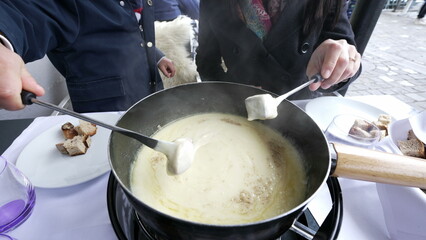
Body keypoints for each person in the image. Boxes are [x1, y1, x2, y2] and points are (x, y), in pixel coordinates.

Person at [0, 0, 176, 113]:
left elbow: (133, 29)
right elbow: (23, 12)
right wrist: (3, 44)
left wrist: (157, 57)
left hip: (147, 91)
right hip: (107, 111)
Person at [196, 0, 362, 100]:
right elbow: (206, 60)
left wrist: (340, 63)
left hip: (297, 104)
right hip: (234, 100)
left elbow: (344, 49)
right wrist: (226, 95)